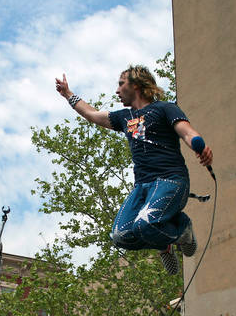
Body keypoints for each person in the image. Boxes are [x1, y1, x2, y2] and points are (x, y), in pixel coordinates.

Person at [55, 66, 214, 274]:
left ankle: (183, 228)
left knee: (145, 224)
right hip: (142, 187)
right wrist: (68, 94)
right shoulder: (125, 117)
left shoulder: (165, 108)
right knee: (120, 235)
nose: (117, 90)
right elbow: (92, 114)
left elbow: (186, 131)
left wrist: (198, 146)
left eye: (121, 84)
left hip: (170, 181)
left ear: (136, 85)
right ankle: (164, 245)